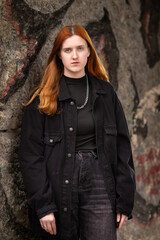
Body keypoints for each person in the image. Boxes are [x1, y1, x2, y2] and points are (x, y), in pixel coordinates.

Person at [19, 25, 136, 240]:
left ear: (89, 51)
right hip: (58, 184)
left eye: (80, 48)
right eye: (67, 50)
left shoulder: (105, 93)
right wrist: (43, 205)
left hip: (100, 180)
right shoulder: (43, 99)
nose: (75, 56)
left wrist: (124, 199)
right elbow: (30, 156)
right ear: (58, 56)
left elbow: (122, 149)